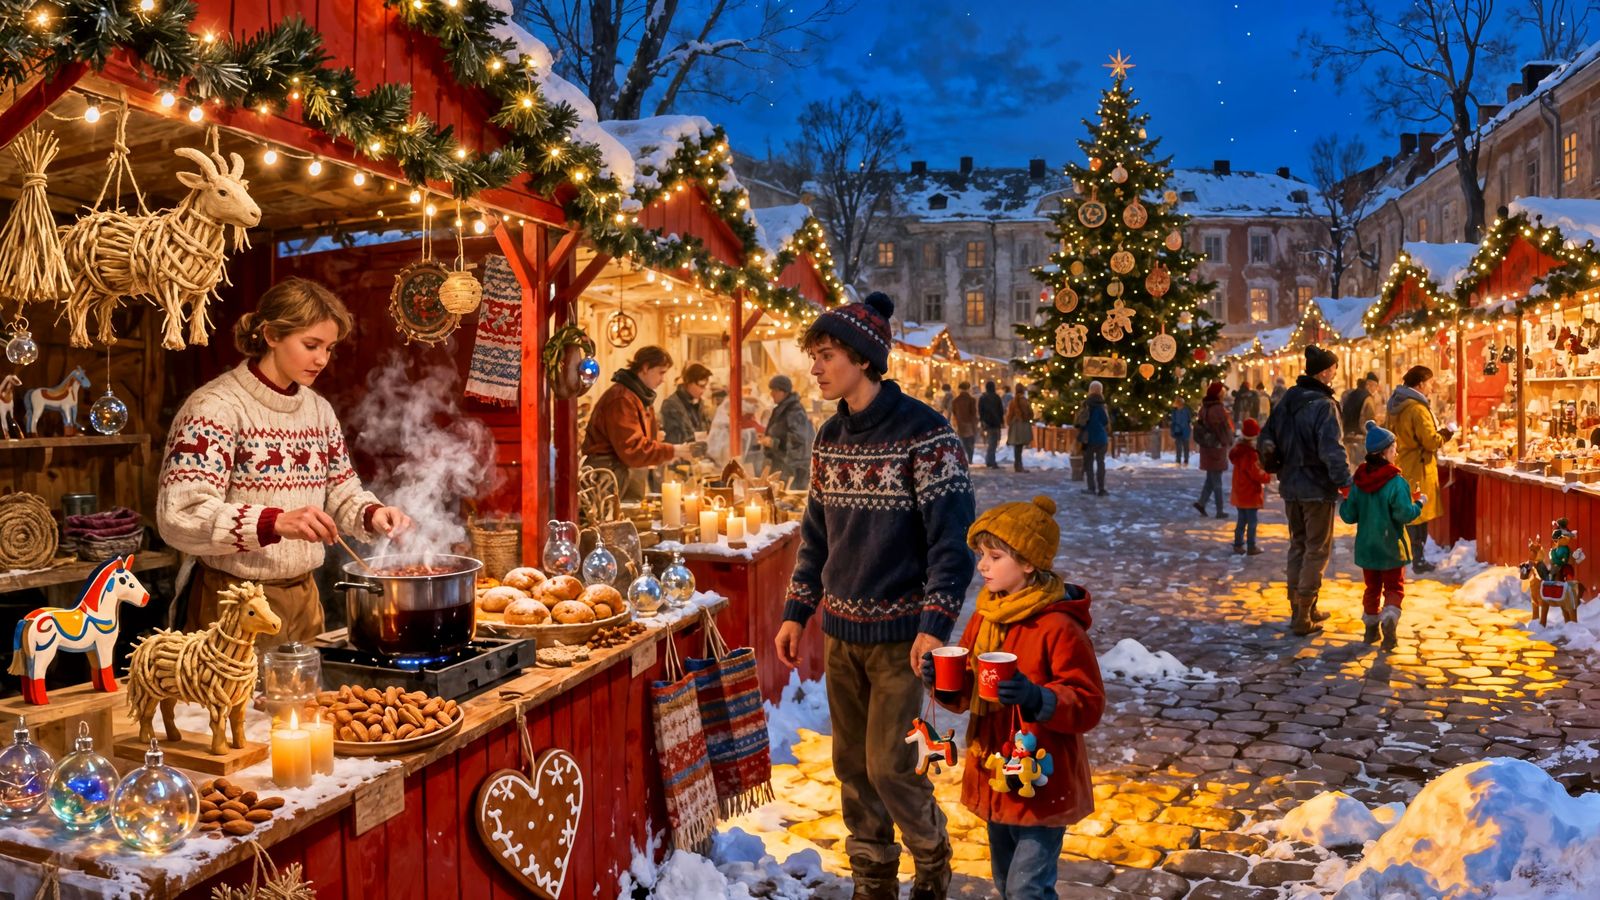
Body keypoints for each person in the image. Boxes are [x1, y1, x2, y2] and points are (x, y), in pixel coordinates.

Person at [773, 291, 976, 900]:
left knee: (890, 764)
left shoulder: (927, 435)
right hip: (841, 635)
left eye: (826, 354)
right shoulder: (829, 438)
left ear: (862, 359)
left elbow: (953, 545)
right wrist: (796, 611)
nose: (815, 367)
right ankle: (873, 878)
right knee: (852, 769)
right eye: (814, 355)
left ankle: (932, 855)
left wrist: (934, 624)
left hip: (900, 641)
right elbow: (816, 537)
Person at [157, 278, 414, 645]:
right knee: (233, 704)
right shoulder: (213, 408)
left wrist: (372, 514)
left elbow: (341, 490)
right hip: (235, 604)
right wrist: (273, 522)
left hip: (305, 600)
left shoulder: (317, 409)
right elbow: (179, 516)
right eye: (311, 345)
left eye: (329, 348)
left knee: (304, 703)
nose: (322, 359)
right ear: (272, 335)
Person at [920, 496, 1104, 900]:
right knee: (1006, 884)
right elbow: (967, 692)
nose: (982, 565)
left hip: (1040, 777)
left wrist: (1037, 697)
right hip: (995, 771)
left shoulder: (1058, 626)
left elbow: (1088, 703)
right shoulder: (986, 616)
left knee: (1027, 889)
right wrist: (941, 680)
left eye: (995, 556)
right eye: (981, 555)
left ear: (1028, 563)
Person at [1262, 345, 1353, 636]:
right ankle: (1302, 615)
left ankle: (1300, 606)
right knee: (1316, 549)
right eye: (1334, 369)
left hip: (1290, 485)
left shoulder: (1288, 398)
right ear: (1325, 372)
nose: (1335, 373)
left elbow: (1267, 436)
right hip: (1316, 486)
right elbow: (1332, 449)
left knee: (1298, 545)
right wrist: (1345, 482)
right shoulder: (1324, 405)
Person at [1340, 421, 1427, 650]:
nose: (1396, 452)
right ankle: (1389, 619)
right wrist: (1418, 503)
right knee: (1393, 588)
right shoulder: (1396, 483)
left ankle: (1370, 630)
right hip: (1391, 546)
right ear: (1385, 452)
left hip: (1368, 547)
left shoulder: (1359, 482)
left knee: (1372, 588)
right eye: (1394, 449)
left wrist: (1346, 498)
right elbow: (1404, 514)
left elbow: (1349, 515)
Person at [581, 345, 692, 500]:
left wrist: (656, 441)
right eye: (661, 372)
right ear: (646, 367)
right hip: (608, 478)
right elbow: (632, 449)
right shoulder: (622, 398)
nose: (663, 380)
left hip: (623, 476)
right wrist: (674, 450)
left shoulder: (639, 396)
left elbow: (641, 442)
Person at [1389, 365, 1455, 575]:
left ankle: (1408, 555)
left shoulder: (1397, 404)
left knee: (1409, 510)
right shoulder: (1417, 408)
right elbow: (1430, 441)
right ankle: (1417, 558)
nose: (1431, 387)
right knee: (1418, 511)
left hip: (1403, 462)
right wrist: (1446, 433)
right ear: (1420, 384)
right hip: (1418, 466)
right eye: (1429, 383)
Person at [759, 374, 814, 490]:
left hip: (792, 468)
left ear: (783, 392)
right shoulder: (782, 408)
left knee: (787, 501)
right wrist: (767, 437)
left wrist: (773, 442)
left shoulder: (794, 410)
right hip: (781, 463)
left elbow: (800, 439)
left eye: (774, 390)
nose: (771, 394)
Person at [1230, 418, 1271, 555]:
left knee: (1241, 520)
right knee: (1252, 522)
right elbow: (1255, 473)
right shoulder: (1249, 454)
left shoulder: (1238, 451)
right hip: (1249, 492)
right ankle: (1251, 546)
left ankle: (1238, 544)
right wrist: (1266, 476)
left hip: (1240, 491)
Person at [1192, 382, 1233, 519]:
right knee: (1217, 481)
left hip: (1206, 446)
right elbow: (1222, 429)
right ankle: (1219, 510)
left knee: (1211, 478)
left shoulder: (1204, 408)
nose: (1223, 393)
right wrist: (1227, 440)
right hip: (1217, 447)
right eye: (1221, 391)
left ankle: (1202, 503)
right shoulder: (1218, 409)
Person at [659, 362, 711, 444]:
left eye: (705, 386)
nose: (703, 390)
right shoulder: (670, 405)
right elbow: (674, 440)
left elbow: (707, 429)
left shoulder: (700, 403)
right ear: (689, 382)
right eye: (701, 386)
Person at [1340, 373, 1383, 470]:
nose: (1375, 390)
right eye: (1375, 386)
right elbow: (1368, 423)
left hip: (1348, 438)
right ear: (1369, 385)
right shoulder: (1368, 398)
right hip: (1360, 440)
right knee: (1362, 471)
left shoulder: (1351, 394)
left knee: (1352, 470)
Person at [1076, 381, 1110, 496]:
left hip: (1089, 438)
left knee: (1089, 464)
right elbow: (1105, 421)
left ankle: (1091, 488)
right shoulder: (1102, 405)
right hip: (1101, 438)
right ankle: (1101, 489)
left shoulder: (1086, 404)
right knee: (1101, 463)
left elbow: (1080, 422)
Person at [1006, 384, 1034, 472]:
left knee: (1017, 447)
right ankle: (1019, 465)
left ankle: (1017, 465)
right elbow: (1029, 413)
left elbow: (1009, 415)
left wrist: (1009, 423)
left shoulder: (1012, 401)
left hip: (1015, 425)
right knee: (1020, 447)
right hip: (1022, 426)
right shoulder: (1025, 401)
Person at [979, 380, 1006, 469]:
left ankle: (990, 460)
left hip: (987, 423)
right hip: (995, 422)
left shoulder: (982, 398)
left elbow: (980, 411)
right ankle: (991, 461)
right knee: (993, 442)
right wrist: (1001, 421)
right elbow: (1001, 410)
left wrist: (982, 421)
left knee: (991, 442)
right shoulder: (996, 397)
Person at [952, 381, 980, 463]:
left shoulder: (955, 401)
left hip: (959, 424)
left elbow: (954, 413)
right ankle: (970, 459)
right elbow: (973, 413)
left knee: (962, 442)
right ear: (968, 389)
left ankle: (962, 459)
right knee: (970, 443)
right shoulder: (972, 400)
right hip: (970, 425)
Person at [1170, 399, 1193, 467]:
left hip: (1185, 430)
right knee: (1178, 447)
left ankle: (1186, 459)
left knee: (1186, 446)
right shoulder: (1174, 411)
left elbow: (1189, 420)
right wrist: (1173, 431)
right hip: (1178, 431)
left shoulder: (1186, 411)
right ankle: (1178, 460)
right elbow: (1173, 422)